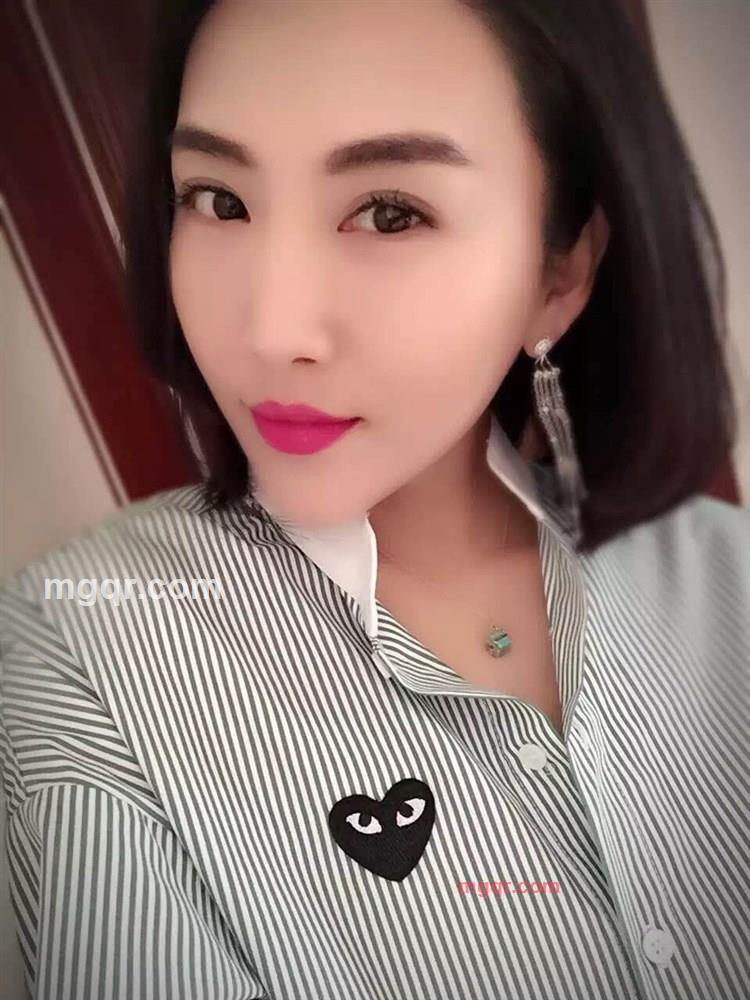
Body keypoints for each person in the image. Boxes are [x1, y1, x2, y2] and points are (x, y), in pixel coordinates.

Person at [1, 0, 748, 997]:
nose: (272, 331)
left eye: (390, 211)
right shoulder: (80, 648)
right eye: (217, 199)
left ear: (559, 271)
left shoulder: (729, 579)